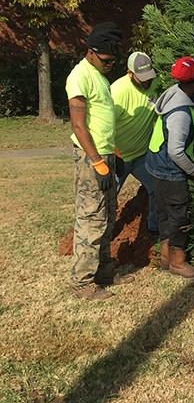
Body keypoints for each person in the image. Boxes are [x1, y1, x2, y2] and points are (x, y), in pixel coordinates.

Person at [66, 21, 133, 300]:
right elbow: (79, 125)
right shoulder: (79, 76)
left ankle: (104, 271)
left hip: (104, 154)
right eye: (105, 59)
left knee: (108, 216)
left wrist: (111, 156)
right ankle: (82, 282)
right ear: (90, 52)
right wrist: (96, 161)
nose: (109, 64)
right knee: (91, 219)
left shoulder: (100, 76)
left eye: (113, 60)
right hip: (90, 158)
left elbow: (104, 123)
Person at [146, 56, 194, 279]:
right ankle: (178, 263)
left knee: (164, 214)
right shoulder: (181, 112)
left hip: (155, 165)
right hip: (170, 171)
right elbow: (176, 151)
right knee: (179, 216)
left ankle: (165, 258)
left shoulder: (173, 94)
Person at [111, 52, 160, 232]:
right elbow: (105, 128)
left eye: (149, 77)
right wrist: (115, 157)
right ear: (129, 73)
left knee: (156, 189)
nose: (146, 82)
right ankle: (104, 235)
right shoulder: (118, 91)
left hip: (141, 157)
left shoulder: (155, 83)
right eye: (142, 79)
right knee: (108, 198)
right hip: (119, 157)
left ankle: (153, 228)